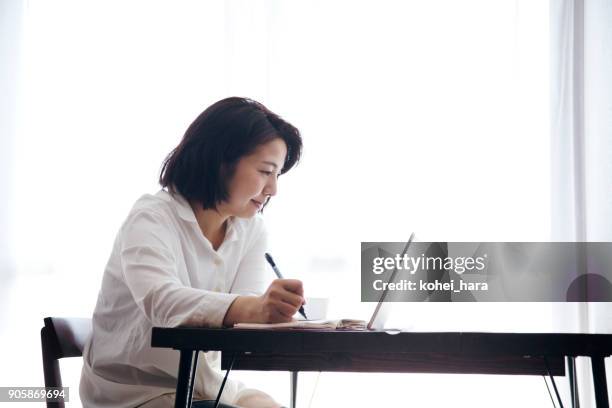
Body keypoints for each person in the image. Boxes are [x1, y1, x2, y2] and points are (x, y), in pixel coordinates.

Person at [80, 97, 304, 408]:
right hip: (137, 392)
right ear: (221, 161)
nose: (273, 189)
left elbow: (248, 314)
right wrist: (253, 308)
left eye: (277, 174)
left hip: (207, 388)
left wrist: (272, 310)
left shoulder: (252, 229)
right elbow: (162, 301)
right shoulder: (152, 216)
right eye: (266, 171)